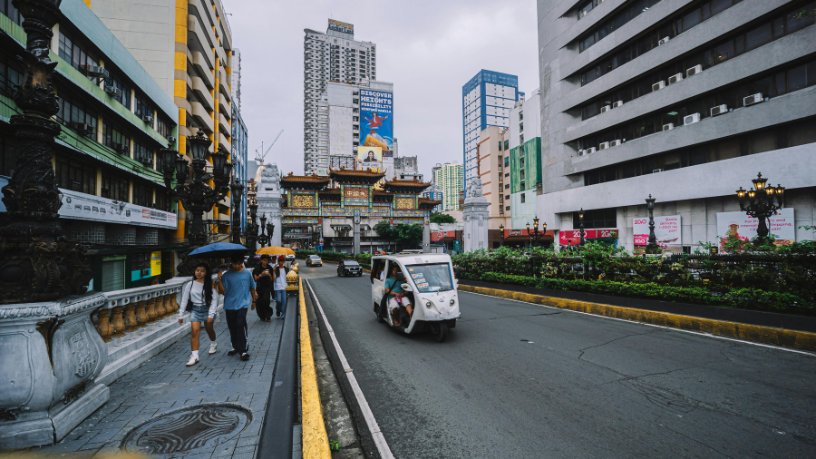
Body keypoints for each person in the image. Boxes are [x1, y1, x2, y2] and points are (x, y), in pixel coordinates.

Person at [178, 263, 219, 366]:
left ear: (206, 273)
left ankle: (213, 343)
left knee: (209, 329)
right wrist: (181, 315)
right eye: (197, 270)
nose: (199, 272)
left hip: (207, 309)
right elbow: (184, 300)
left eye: (202, 270)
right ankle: (194, 356)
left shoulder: (210, 284)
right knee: (194, 332)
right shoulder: (190, 284)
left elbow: (214, 301)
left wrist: (211, 314)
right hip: (195, 310)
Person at [218, 255, 257, 361]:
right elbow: (222, 291)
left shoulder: (247, 273)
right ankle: (235, 346)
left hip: (243, 304)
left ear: (242, 263)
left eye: (238, 263)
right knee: (232, 326)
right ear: (231, 263)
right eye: (234, 264)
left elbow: (252, 288)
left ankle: (243, 349)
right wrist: (220, 279)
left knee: (240, 324)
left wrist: (253, 301)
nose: (236, 266)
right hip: (229, 304)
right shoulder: (227, 275)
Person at [252, 255, 274, 322]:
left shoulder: (270, 268)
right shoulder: (257, 268)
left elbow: (272, 279)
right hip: (259, 287)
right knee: (259, 302)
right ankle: (262, 316)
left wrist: (269, 275)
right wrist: (261, 275)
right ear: (261, 260)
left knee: (266, 301)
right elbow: (255, 279)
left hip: (267, 287)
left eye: (266, 260)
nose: (265, 262)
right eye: (264, 260)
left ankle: (268, 315)